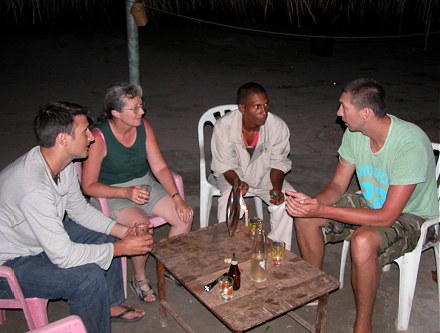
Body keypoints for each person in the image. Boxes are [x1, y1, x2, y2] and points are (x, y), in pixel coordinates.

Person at [285, 78, 438, 333]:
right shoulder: (355, 134)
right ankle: (314, 291)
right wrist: (313, 204)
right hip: (371, 201)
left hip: (413, 215)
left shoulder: (409, 144)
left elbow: (388, 216)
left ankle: (363, 324)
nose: (338, 113)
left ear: (365, 113)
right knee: (306, 217)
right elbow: (337, 186)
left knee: (364, 240)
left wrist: (322, 210)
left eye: (344, 107)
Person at [0, 102, 153, 333]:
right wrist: (121, 249)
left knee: (106, 234)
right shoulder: (34, 187)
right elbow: (63, 256)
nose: (91, 137)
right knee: (87, 279)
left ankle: (108, 305)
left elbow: (79, 210)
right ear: (63, 139)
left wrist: (122, 232)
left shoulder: (62, 164)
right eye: (84, 132)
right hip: (9, 265)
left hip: (35, 242)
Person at [81, 82, 193, 303]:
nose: (141, 111)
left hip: (144, 186)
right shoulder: (99, 138)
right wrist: (125, 192)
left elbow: (160, 167)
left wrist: (177, 198)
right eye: (135, 108)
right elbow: (88, 185)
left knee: (184, 216)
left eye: (141, 105)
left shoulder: (143, 126)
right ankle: (139, 278)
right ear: (116, 113)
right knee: (142, 229)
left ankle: (169, 267)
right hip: (113, 194)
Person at [211, 82, 295, 250]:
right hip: (232, 175)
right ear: (242, 108)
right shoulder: (224, 126)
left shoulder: (277, 126)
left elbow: (278, 162)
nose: (264, 111)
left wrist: (277, 188)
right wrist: (238, 184)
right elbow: (225, 165)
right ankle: (230, 250)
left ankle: (278, 250)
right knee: (229, 202)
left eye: (266, 104)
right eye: (257, 106)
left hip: (265, 175)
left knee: (287, 203)